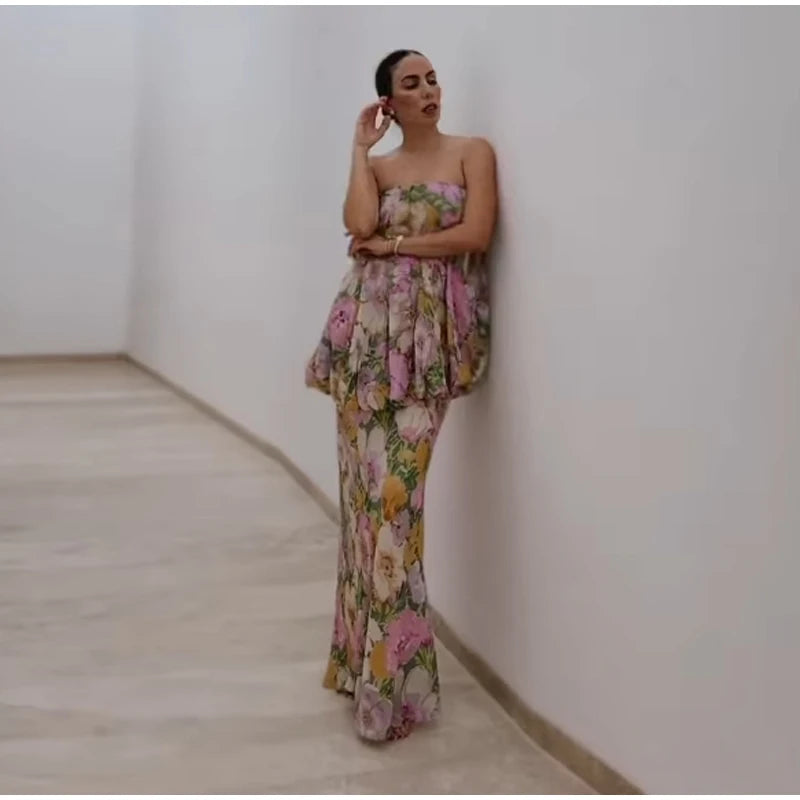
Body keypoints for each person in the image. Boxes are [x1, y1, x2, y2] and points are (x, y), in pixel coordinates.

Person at [305, 49, 497, 742]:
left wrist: (392, 249)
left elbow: (475, 234)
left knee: (396, 513)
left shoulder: (473, 153)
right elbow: (359, 225)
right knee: (363, 511)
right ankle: (359, 668)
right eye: (412, 84)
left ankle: (393, 690)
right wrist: (361, 150)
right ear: (389, 100)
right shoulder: (381, 167)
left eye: (434, 79)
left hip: (429, 350)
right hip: (365, 345)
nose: (429, 91)